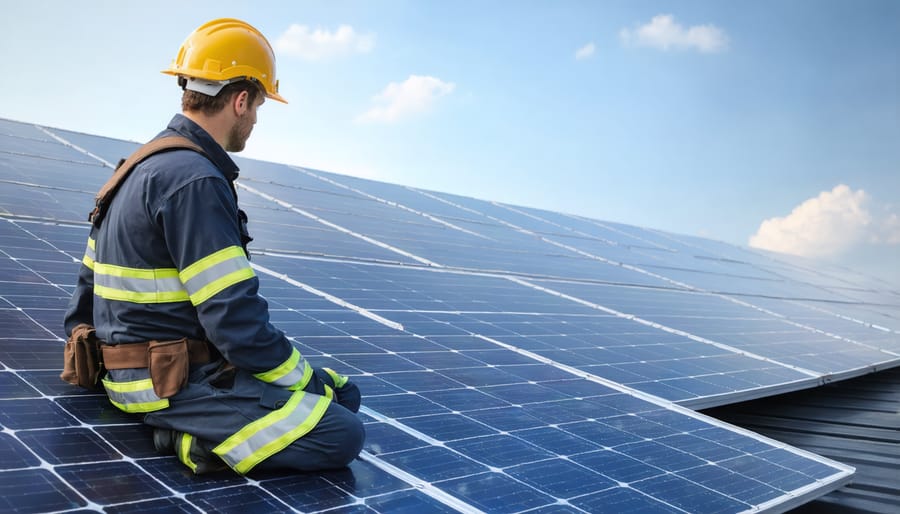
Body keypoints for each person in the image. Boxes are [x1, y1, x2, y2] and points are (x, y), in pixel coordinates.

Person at [63, 18, 364, 475]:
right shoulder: (196, 180)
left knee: (344, 393)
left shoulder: (137, 167)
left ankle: (192, 421)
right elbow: (235, 323)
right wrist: (307, 382)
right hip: (168, 384)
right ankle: (187, 440)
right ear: (240, 100)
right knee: (341, 431)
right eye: (259, 105)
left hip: (124, 373)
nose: (257, 119)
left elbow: (83, 296)